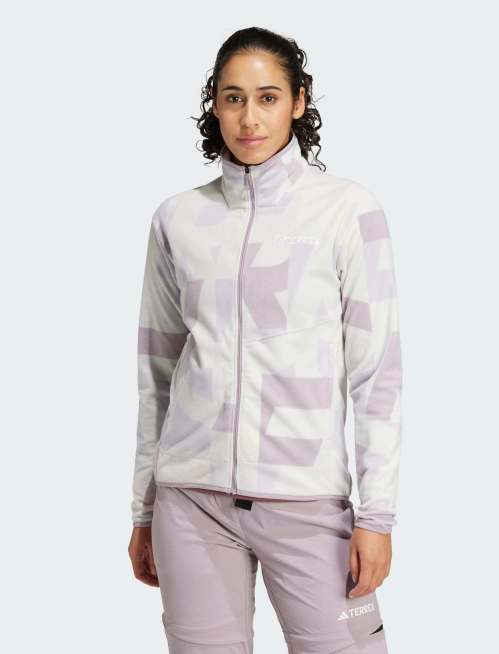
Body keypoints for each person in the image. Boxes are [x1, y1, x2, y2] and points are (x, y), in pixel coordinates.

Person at [128, 26, 402, 654]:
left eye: (268, 97)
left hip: (307, 504)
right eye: (233, 98)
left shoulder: (348, 211)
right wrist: (144, 509)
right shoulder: (178, 218)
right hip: (190, 503)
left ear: (298, 102)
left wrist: (377, 516)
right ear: (215, 105)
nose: (249, 118)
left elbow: (377, 374)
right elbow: (157, 374)